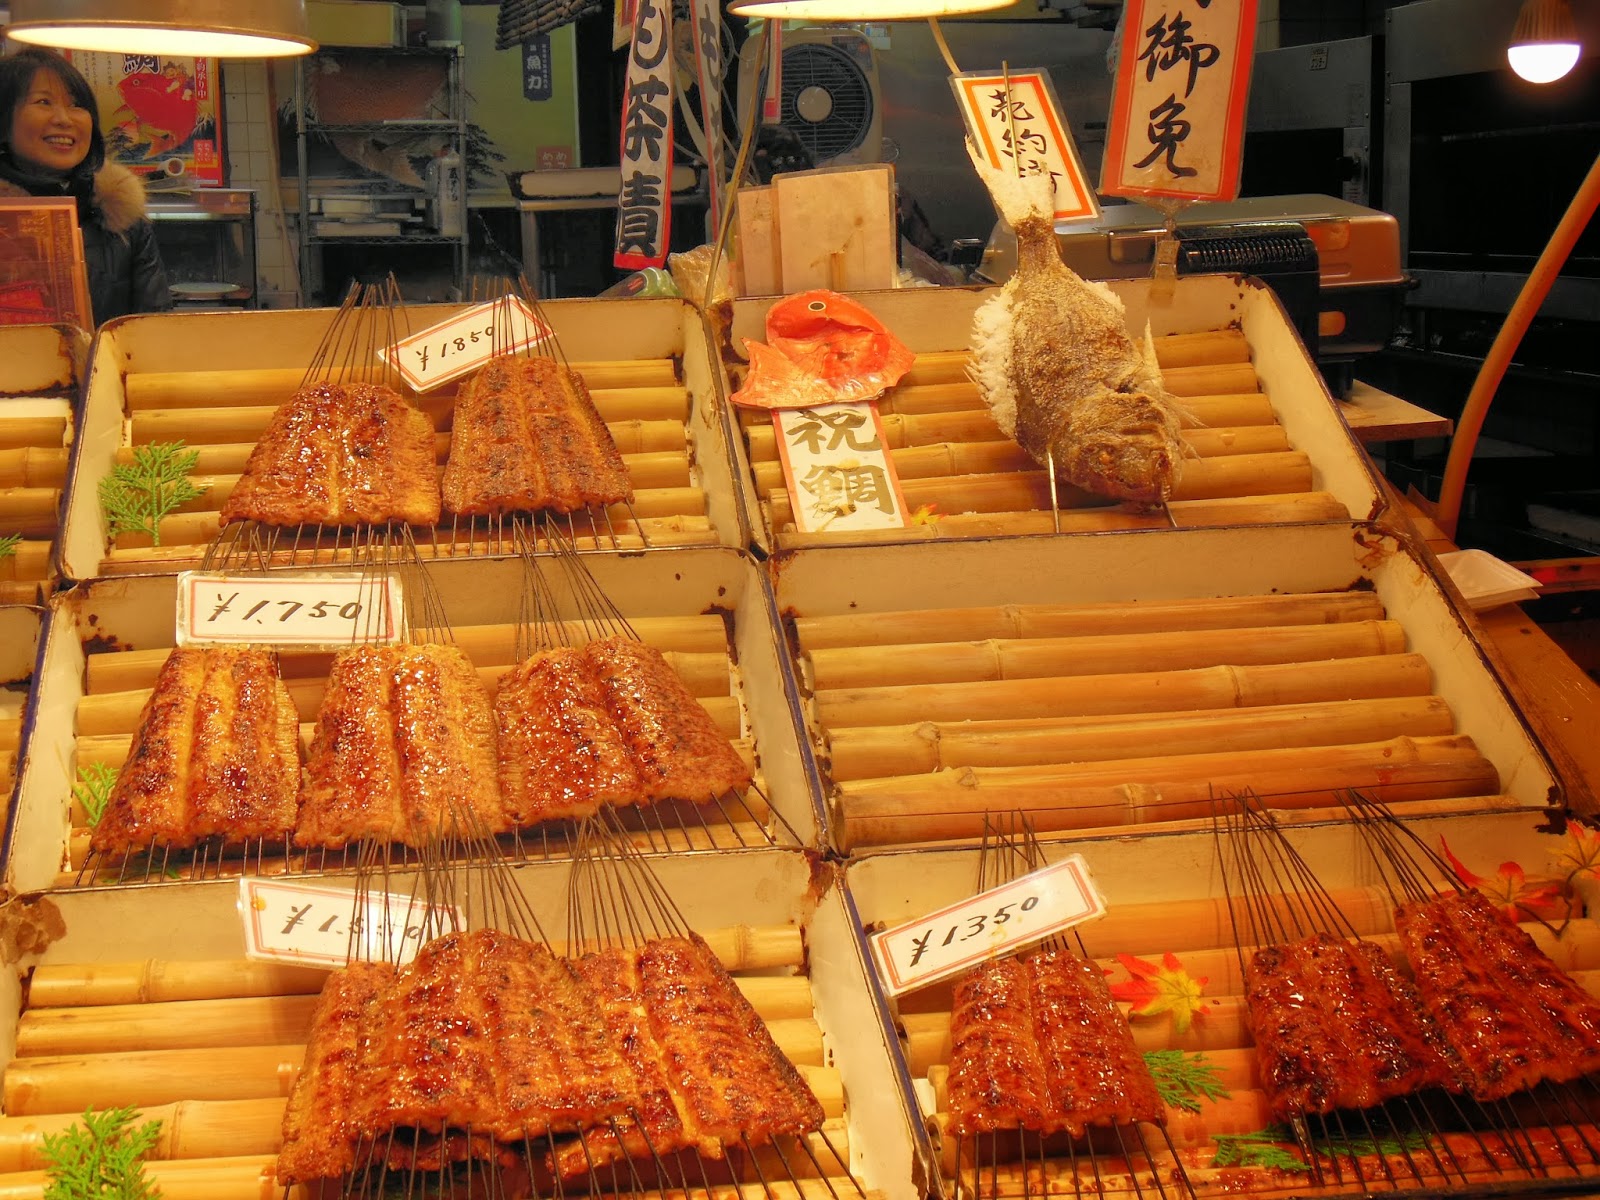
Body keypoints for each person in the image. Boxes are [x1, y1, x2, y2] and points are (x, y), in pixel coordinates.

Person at [0, 47, 172, 324]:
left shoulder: (122, 218)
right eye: (44, 102)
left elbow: (155, 328)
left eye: (76, 104)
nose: (64, 119)